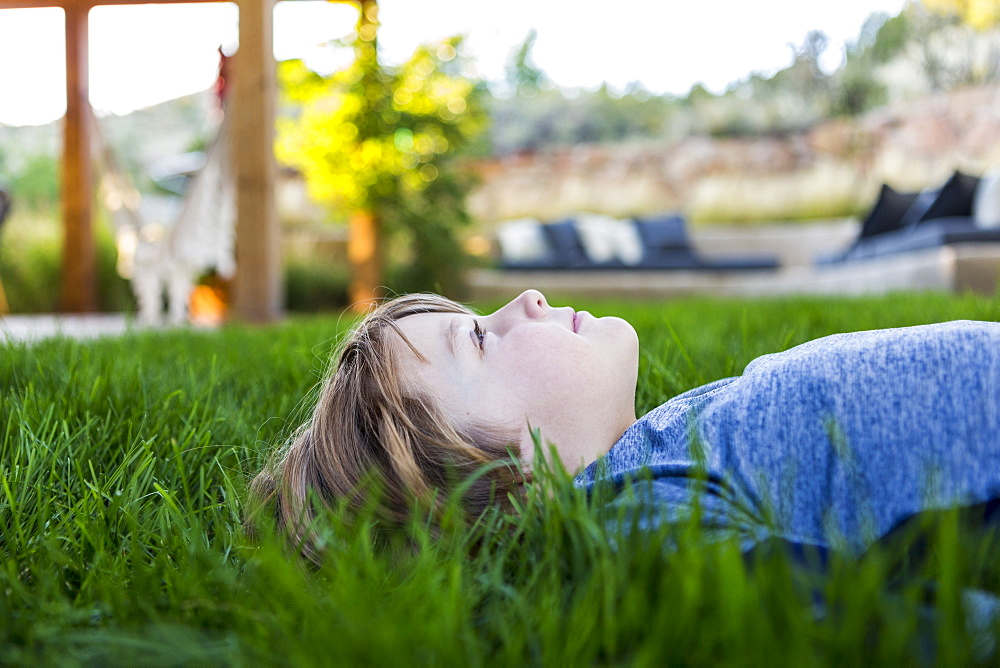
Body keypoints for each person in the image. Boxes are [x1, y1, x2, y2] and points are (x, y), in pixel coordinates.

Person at [249, 289, 1000, 562]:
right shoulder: (641, 510)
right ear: (505, 479)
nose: (528, 300)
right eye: (479, 337)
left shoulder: (655, 449)